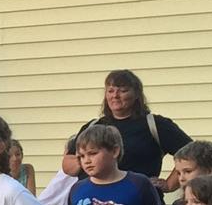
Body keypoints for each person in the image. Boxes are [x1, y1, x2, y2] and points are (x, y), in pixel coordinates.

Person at [59, 69, 192, 191]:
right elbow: (67, 165)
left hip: (138, 201)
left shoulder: (155, 125)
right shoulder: (92, 126)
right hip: (92, 199)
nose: (115, 96)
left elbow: (192, 153)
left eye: (123, 91)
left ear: (136, 94)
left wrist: (169, 184)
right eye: (110, 91)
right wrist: (90, 160)